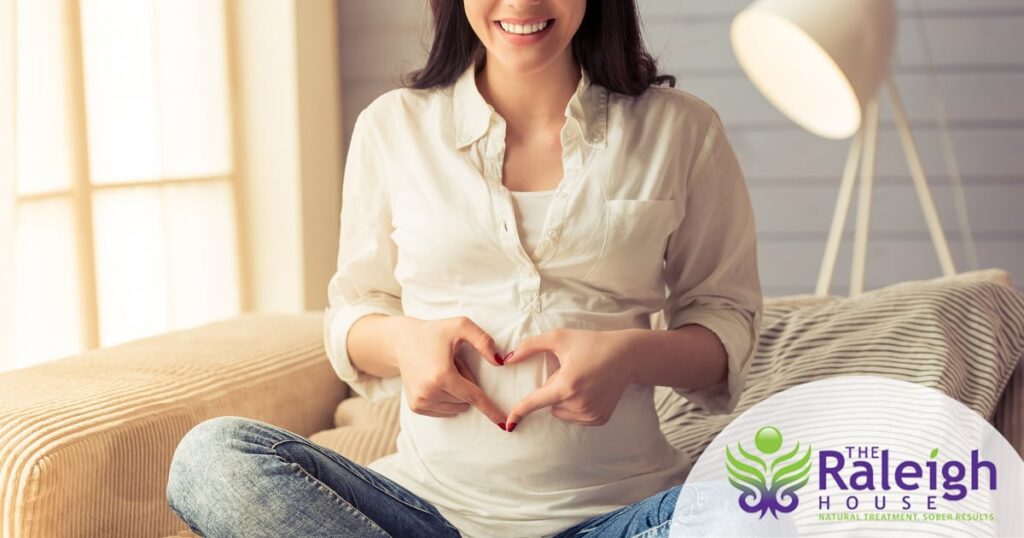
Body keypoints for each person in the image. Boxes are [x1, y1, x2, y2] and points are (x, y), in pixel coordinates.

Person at [165, 0, 763, 536]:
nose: (524, 3)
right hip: (427, 513)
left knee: (788, 499)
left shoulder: (681, 129)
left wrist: (634, 355)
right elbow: (353, 314)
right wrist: (405, 343)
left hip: (624, 515)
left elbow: (725, 319)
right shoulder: (392, 126)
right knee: (211, 459)